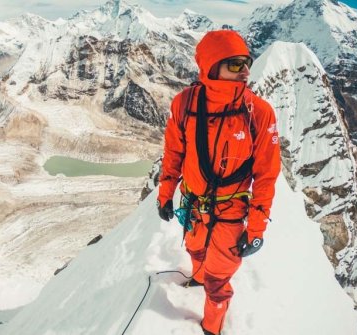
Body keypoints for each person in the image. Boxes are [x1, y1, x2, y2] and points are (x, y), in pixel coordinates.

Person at [156, 30, 281, 335]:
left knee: (219, 280)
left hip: (230, 212)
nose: (246, 71)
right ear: (212, 66)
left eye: (247, 63)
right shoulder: (185, 104)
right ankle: (196, 278)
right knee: (196, 250)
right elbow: (173, 152)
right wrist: (165, 194)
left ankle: (211, 329)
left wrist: (256, 227)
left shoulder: (259, 113)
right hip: (194, 204)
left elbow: (267, 175)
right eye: (236, 64)